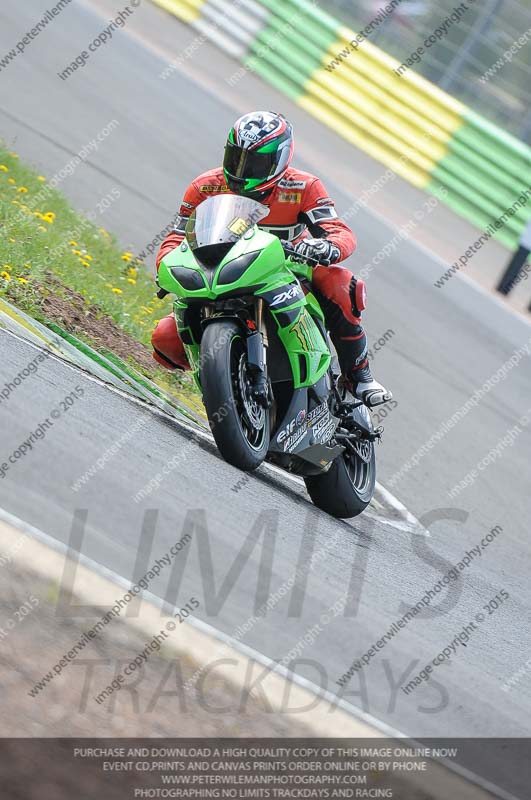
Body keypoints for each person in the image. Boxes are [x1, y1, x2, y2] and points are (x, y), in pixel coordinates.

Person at [152, 111, 391, 407]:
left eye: (254, 162)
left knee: (342, 285)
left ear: (279, 161)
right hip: (223, 268)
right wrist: (165, 265)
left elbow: (339, 231)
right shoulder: (205, 186)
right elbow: (177, 237)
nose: (242, 170)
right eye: (236, 158)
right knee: (166, 338)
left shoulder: (303, 187)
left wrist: (327, 247)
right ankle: (224, 377)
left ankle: (359, 377)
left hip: (289, 264)